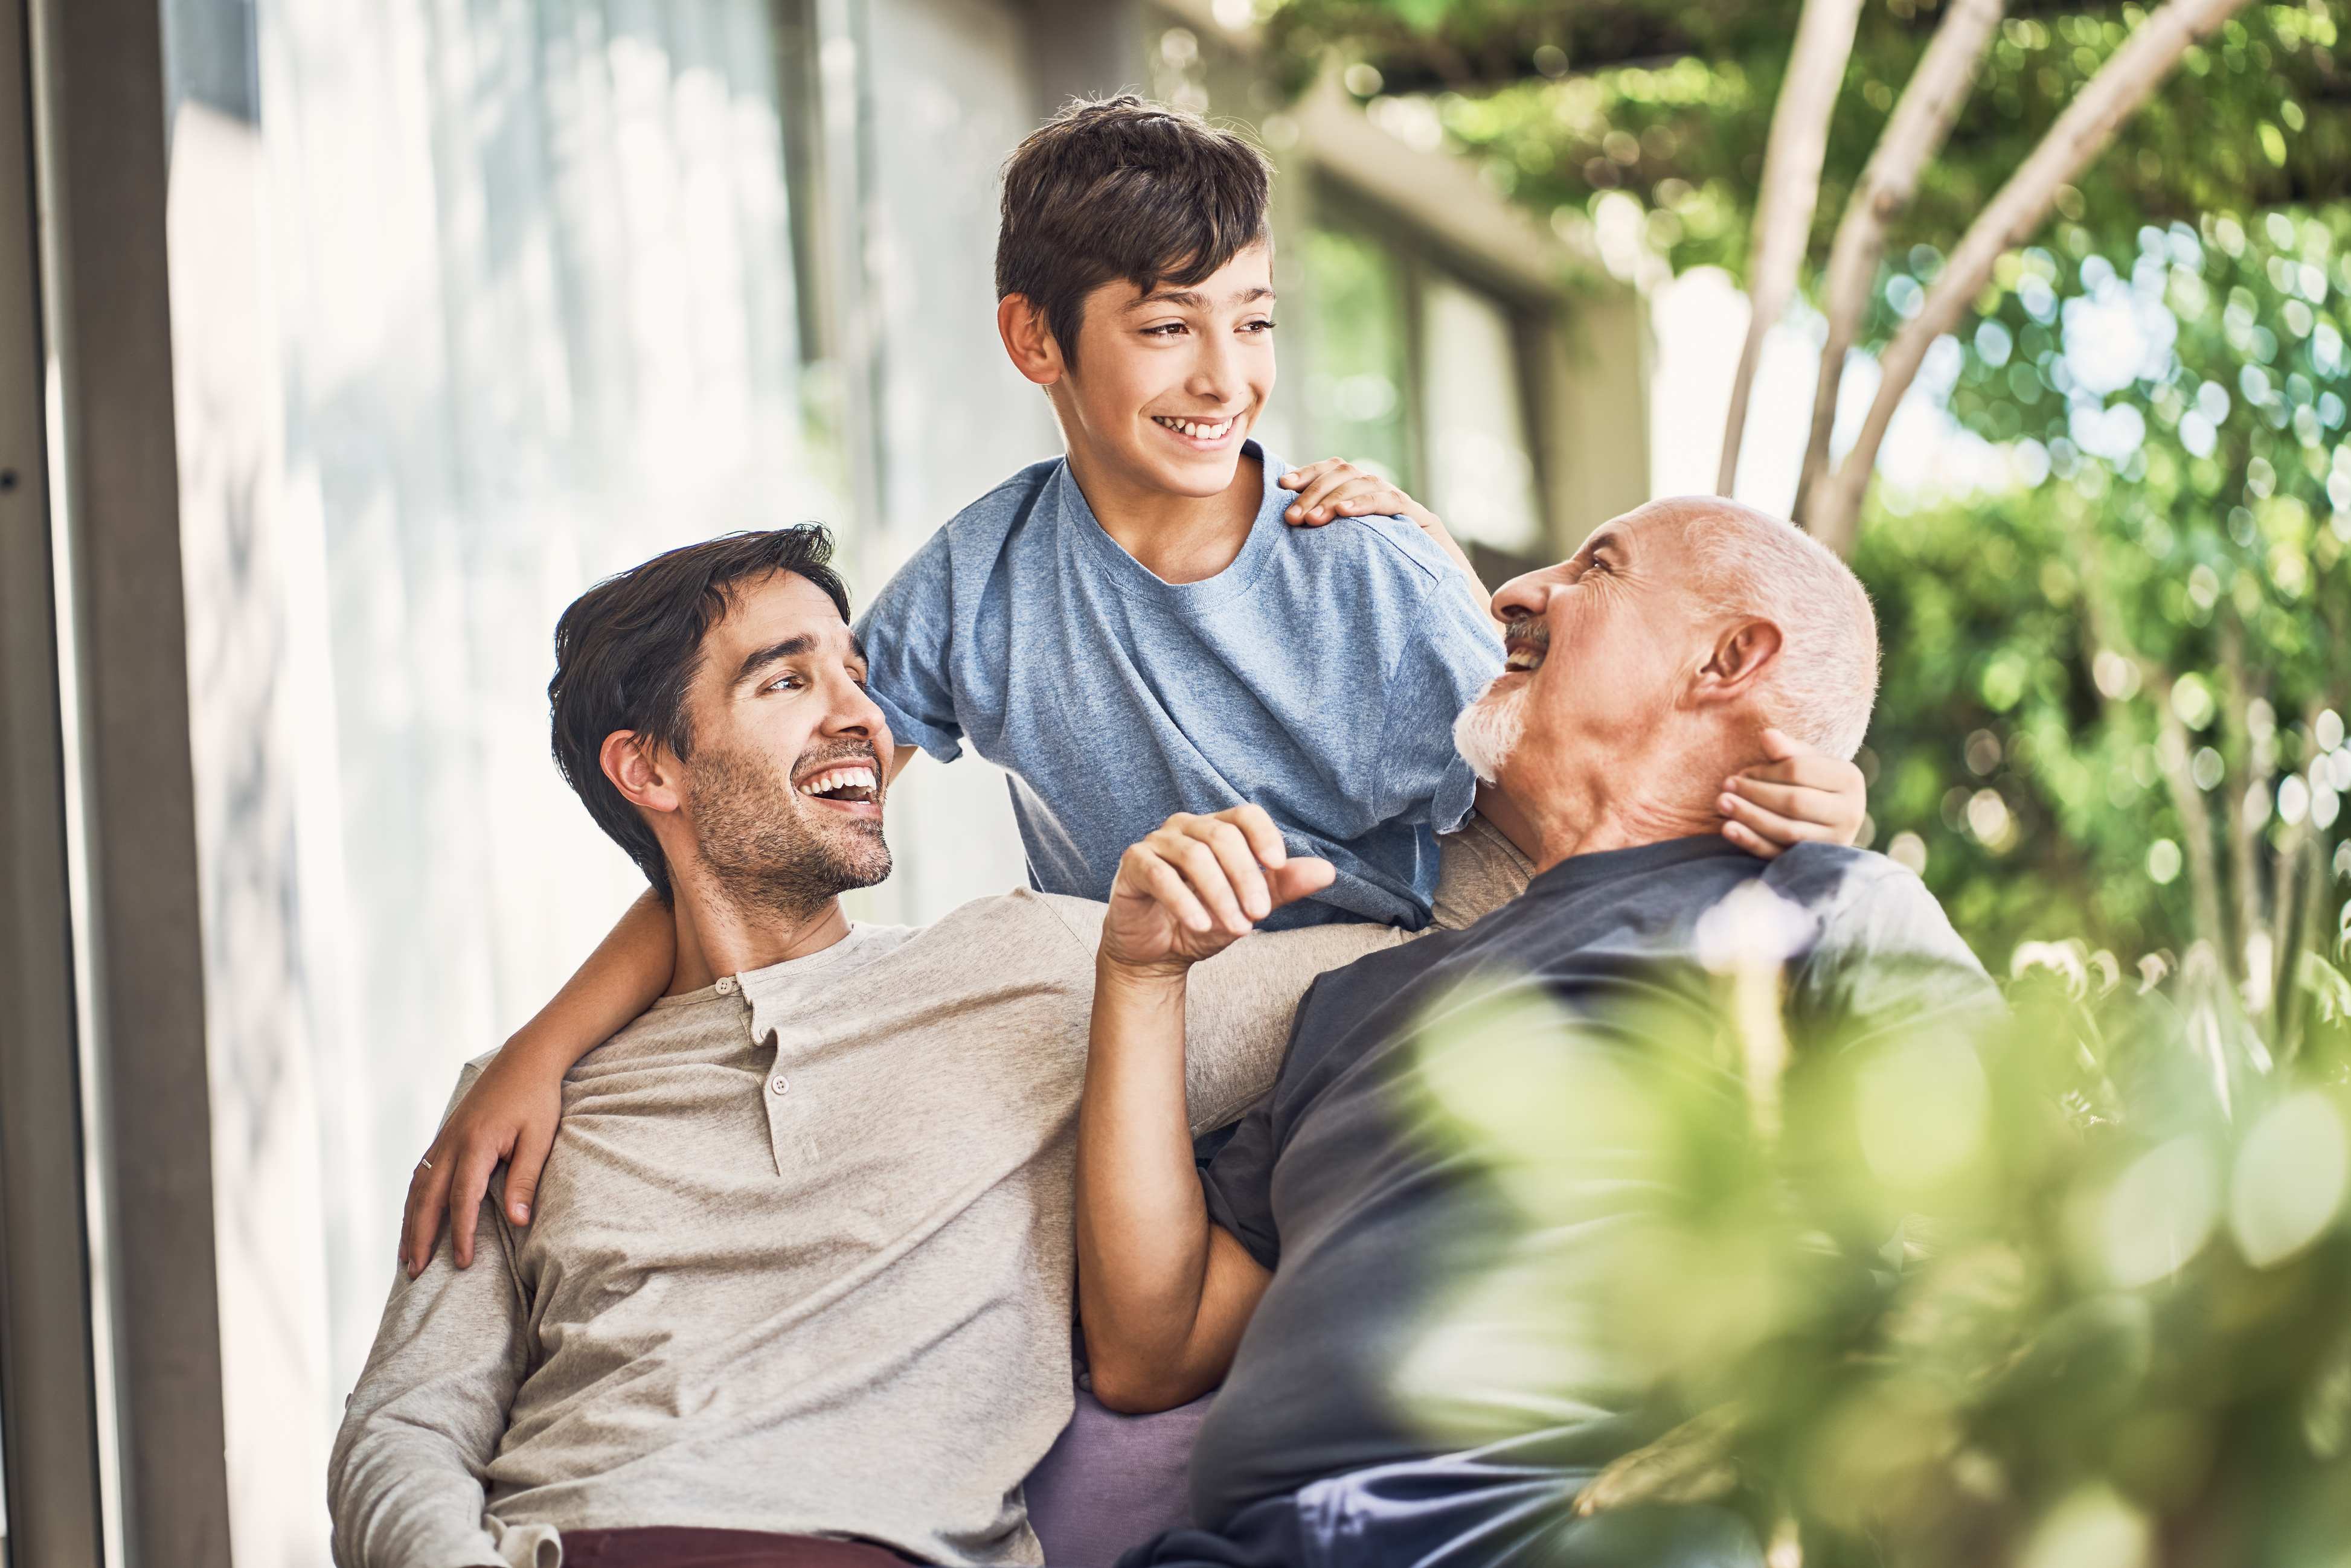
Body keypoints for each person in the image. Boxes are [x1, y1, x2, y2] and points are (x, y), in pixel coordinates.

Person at [396, 95, 1864, 1278]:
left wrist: (1809, 806)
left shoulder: (1360, 568)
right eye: (1169, 325)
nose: (1225, 374)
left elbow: (1583, 807)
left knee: (1022, 977)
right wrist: (542, 1051)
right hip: (1156, 1025)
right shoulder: (984, 583)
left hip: (1397, 989)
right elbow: (758, 846)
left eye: (1257, 319)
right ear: (1038, 340)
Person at [329, 528, 1533, 1568]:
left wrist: (1466, 620)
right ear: (650, 768)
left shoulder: (1043, 970)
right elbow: (404, 1427)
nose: (860, 712)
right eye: (785, 681)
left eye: (855, 672)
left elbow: (1449, 945)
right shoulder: (523, 1104)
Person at [1073, 497, 2005, 1567]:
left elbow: (2014, 1236)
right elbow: (1154, 1350)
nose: (1514, 596)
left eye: (1594, 568)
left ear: (1728, 657)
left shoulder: (1824, 909)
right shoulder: (1358, 996)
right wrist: (1140, 974)